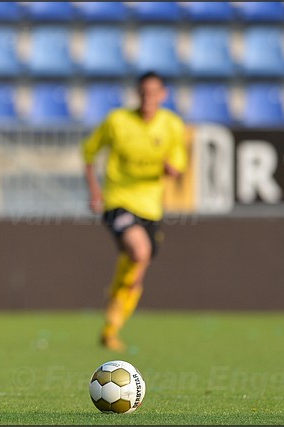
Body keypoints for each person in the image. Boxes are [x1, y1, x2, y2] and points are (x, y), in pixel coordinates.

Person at [81, 71, 187, 352]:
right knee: (138, 252)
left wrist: (171, 169)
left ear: (163, 95)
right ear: (137, 94)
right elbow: (89, 153)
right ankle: (113, 314)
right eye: (144, 92)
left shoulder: (172, 126)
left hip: (151, 208)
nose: (148, 97)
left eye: (154, 92)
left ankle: (111, 328)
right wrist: (94, 191)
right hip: (118, 201)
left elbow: (178, 166)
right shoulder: (117, 121)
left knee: (136, 271)